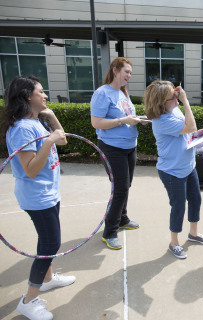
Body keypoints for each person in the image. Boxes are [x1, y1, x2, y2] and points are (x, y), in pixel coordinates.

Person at [1, 76, 75, 320]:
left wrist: (52, 118)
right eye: (40, 92)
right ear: (26, 97)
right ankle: (28, 301)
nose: (45, 96)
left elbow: (62, 139)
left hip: (48, 192)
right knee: (50, 245)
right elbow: (30, 169)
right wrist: (48, 143)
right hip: (37, 196)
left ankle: (48, 279)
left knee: (47, 240)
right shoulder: (22, 128)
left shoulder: (36, 122)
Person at [144, 80, 203, 259]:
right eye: (173, 97)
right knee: (178, 206)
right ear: (160, 103)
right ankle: (174, 243)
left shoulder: (173, 110)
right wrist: (185, 100)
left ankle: (193, 234)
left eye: (176, 94)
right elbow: (189, 125)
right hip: (172, 172)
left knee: (195, 200)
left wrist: (197, 135)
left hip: (188, 167)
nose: (177, 98)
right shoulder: (160, 121)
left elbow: (188, 130)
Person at [90, 57, 145, 250]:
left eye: (130, 73)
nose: (129, 76)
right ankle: (110, 232)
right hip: (112, 148)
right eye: (126, 72)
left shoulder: (123, 92)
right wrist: (123, 121)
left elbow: (127, 117)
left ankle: (122, 219)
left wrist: (139, 119)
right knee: (120, 188)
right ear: (115, 70)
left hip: (130, 146)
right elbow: (96, 123)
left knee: (125, 185)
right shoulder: (102, 93)